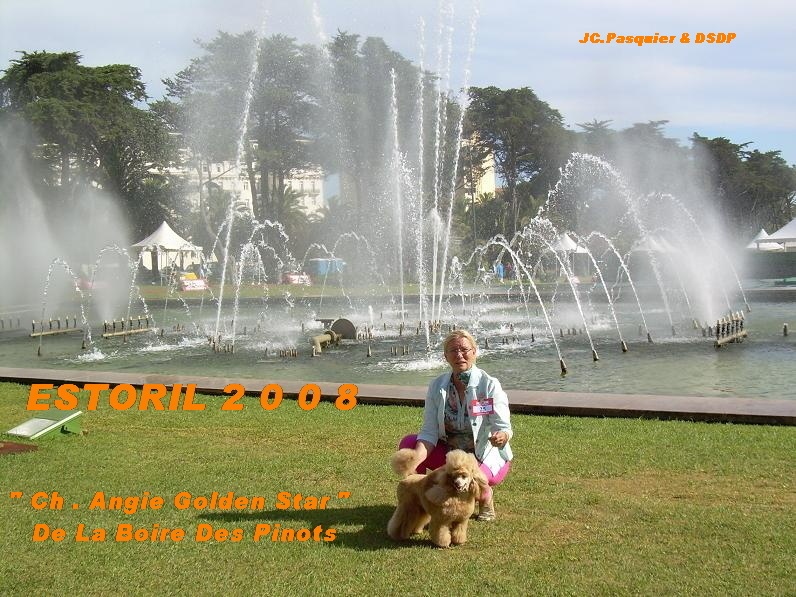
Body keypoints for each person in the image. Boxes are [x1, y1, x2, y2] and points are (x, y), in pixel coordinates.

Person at [397, 329, 513, 521]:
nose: (459, 355)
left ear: (474, 352)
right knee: (409, 444)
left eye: (464, 349)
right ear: (446, 356)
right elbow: (429, 431)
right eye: (453, 350)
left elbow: (503, 427)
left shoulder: (490, 385)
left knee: (474, 480)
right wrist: (416, 458)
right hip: (451, 455)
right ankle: (418, 501)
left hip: (484, 455)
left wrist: (501, 436)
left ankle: (485, 496)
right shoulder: (437, 386)